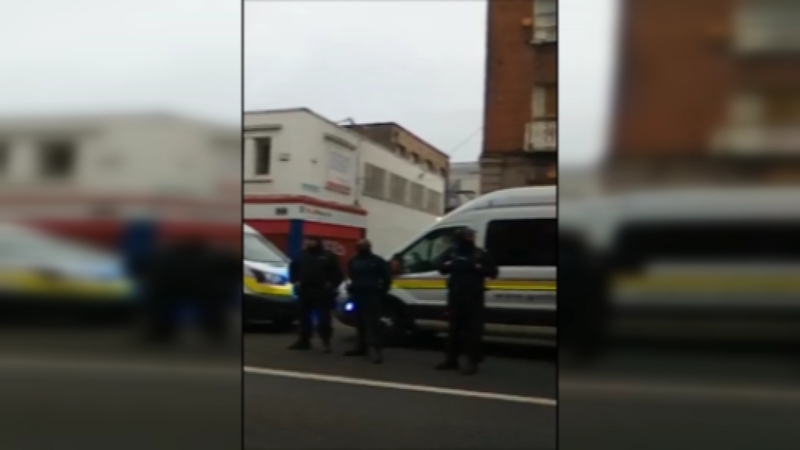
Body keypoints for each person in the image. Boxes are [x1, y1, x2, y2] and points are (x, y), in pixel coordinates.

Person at [436, 227, 498, 375]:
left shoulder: (479, 253)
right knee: (454, 329)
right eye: (468, 236)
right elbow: (440, 266)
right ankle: (451, 360)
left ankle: (472, 361)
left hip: (473, 297)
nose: (471, 239)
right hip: (456, 296)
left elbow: (493, 272)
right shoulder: (452, 252)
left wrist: (478, 267)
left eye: (471, 236)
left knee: (473, 331)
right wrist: (449, 265)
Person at [288, 236, 344, 352]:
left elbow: (338, 273)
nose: (309, 243)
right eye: (308, 241)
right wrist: (295, 281)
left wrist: (332, 285)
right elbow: (293, 268)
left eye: (312, 241)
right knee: (303, 318)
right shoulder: (301, 255)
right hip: (305, 290)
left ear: (318, 242)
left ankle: (326, 342)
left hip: (322, 292)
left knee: (324, 318)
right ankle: (304, 341)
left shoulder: (328, 256)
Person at [344, 239, 392, 364]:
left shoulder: (377, 261)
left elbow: (387, 278)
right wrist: (350, 288)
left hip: (372, 295)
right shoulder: (354, 260)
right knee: (360, 323)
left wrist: (382, 292)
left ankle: (376, 350)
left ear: (369, 246)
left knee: (373, 324)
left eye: (364, 245)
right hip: (357, 295)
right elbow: (350, 276)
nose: (361, 247)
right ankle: (361, 348)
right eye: (359, 245)